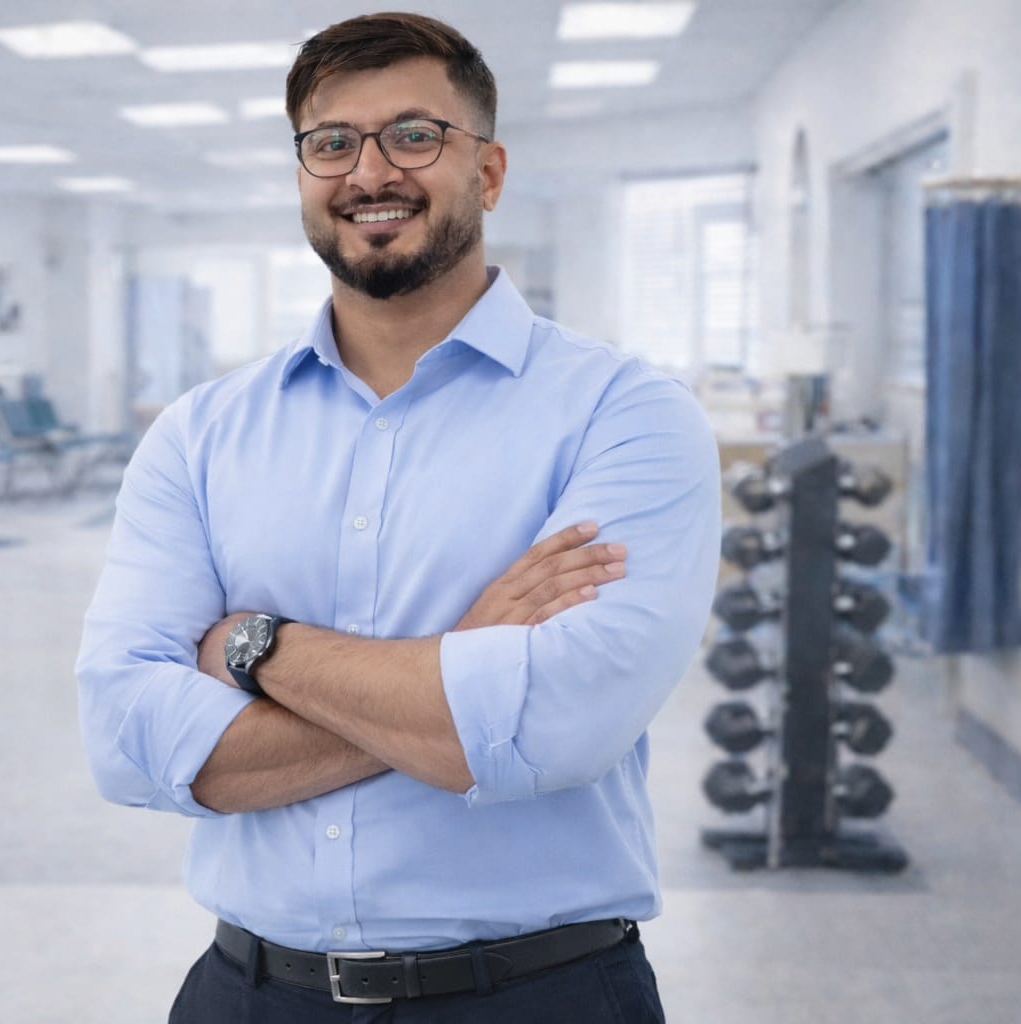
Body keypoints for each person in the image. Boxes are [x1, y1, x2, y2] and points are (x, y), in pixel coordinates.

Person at [77, 12, 719, 1021]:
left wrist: (256, 647)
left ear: (489, 172)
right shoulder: (200, 434)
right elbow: (127, 738)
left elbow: (553, 724)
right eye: (332, 142)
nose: (370, 171)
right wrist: (463, 660)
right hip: (250, 994)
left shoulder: (625, 414)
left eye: (415, 135)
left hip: (535, 995)